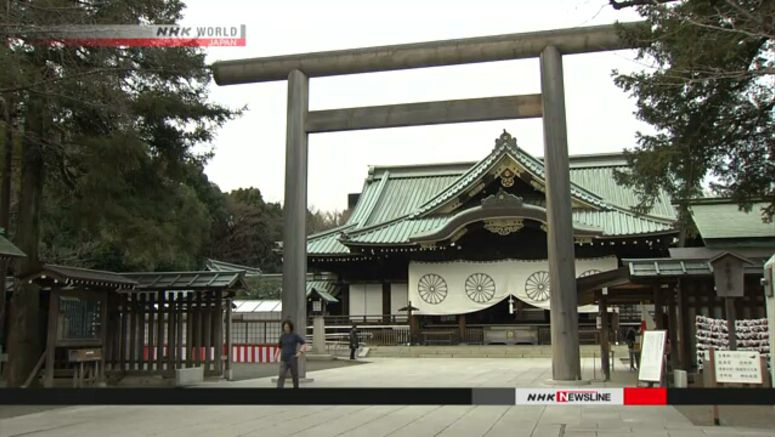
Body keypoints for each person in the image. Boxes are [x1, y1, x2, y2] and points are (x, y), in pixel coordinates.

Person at [275, 319, 306, 389]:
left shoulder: (295, 336)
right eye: (284, 327)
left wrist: (300, 352)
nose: (286, 328)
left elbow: (303, 343)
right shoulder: (282, 336)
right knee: (281, 375)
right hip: (283, 359)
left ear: (290, 327)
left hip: (292, 358)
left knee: (294, 376)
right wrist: (276, 355)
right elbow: (279, 347)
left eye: (287, 327)